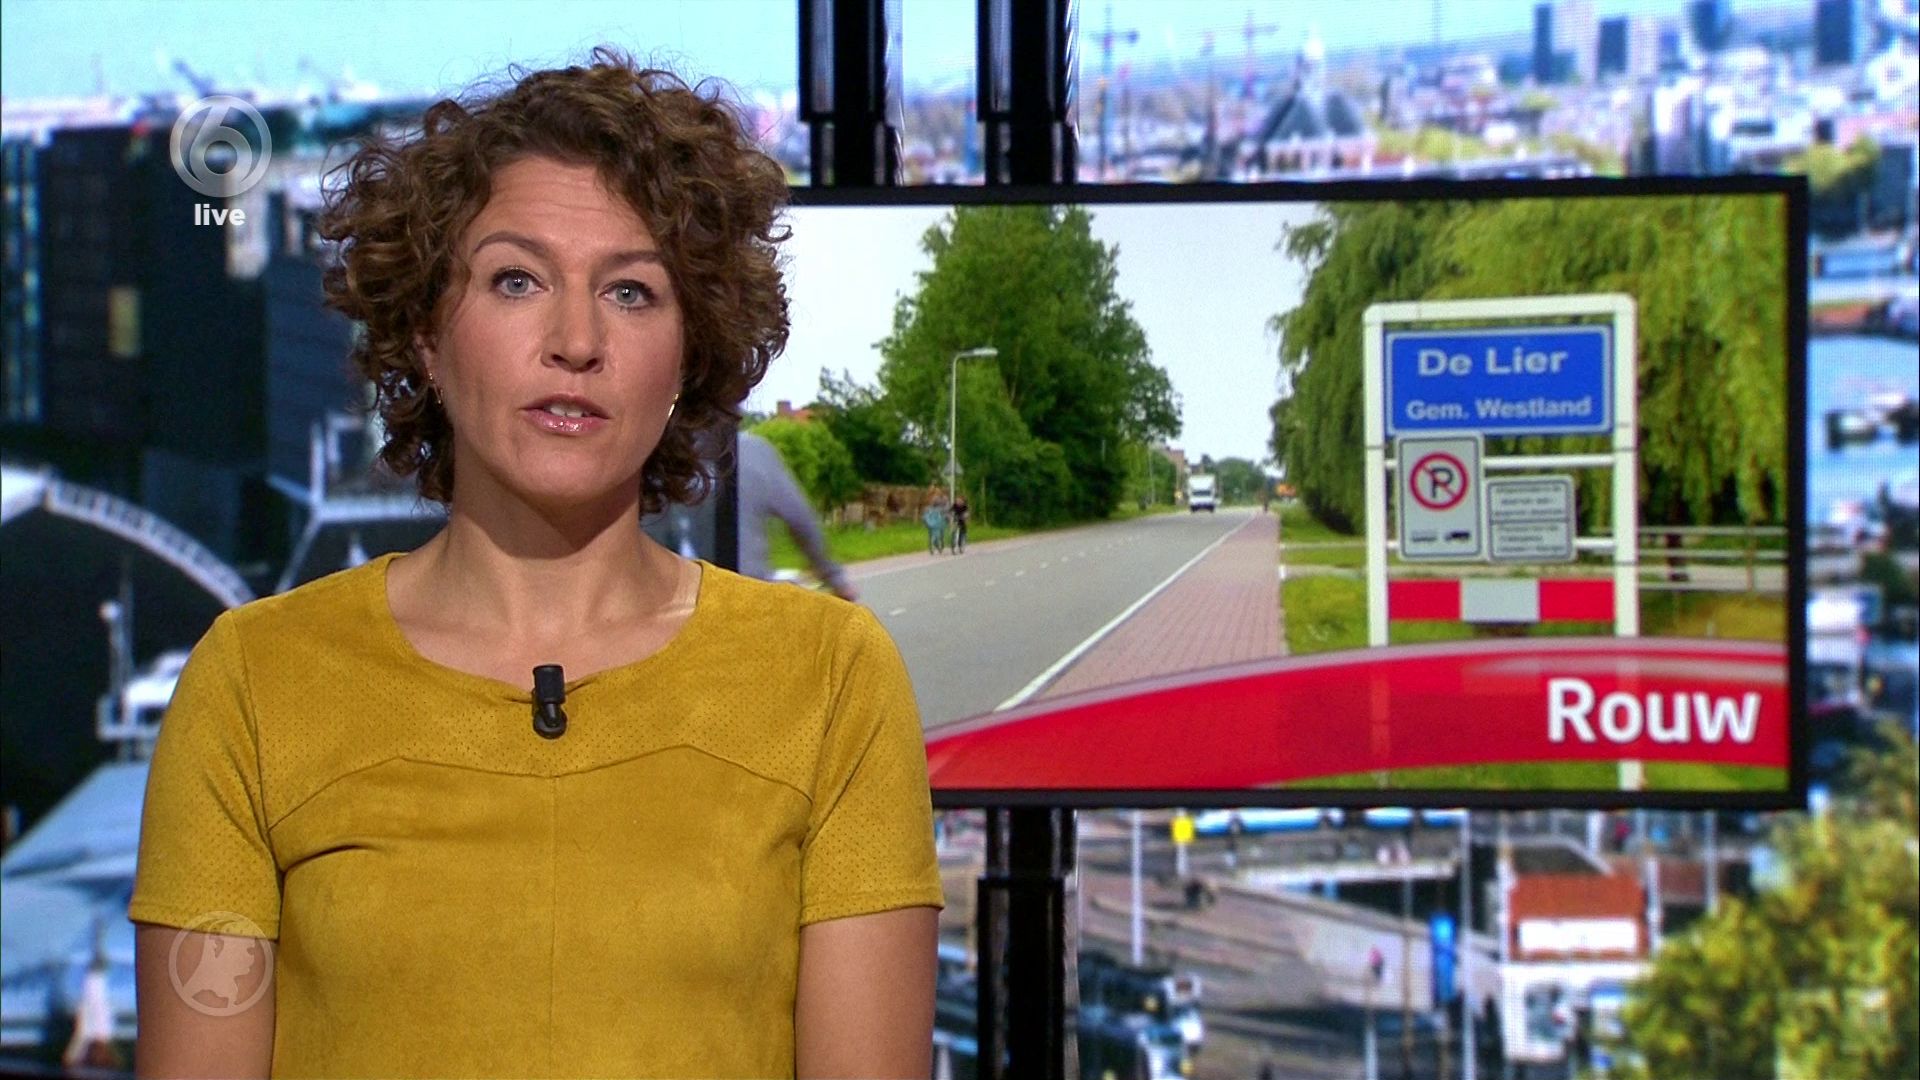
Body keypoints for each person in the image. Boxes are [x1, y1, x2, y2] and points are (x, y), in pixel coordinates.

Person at [128, 49, 941, 1079]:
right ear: (426, 334)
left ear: (690, 354)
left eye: (632, 292)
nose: (576, 341)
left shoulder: (829, 679)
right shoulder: (255, 685)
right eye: (517, 280)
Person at [735, 428, 858, 601]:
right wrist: (835, 579)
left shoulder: (691, 453)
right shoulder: (751, 450)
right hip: (742, 593)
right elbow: (801, 521)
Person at [922, 491, 948, 555]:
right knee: (931, 533)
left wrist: (945, 514)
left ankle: (941, 544)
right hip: (933, 521)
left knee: (941, 533)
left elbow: (947, 509)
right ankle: (932, 546)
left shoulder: (944, 500)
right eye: (933, 499)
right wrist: (925, 520)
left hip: (941, 520)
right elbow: (926, 514)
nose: (934, 500)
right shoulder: (930, 507)